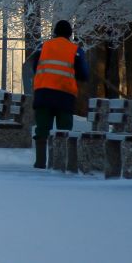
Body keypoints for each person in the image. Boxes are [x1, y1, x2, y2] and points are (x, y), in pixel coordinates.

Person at [30, 20, 89, 169]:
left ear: (54, 32)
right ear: (70, 34)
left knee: (42, 129)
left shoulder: (43, 46)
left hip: (43, 93)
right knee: (64, 130)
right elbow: (84, 74)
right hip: (65, 96)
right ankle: (62, 163)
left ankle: (40, 162)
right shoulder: (75, 50)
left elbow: (34, 66)